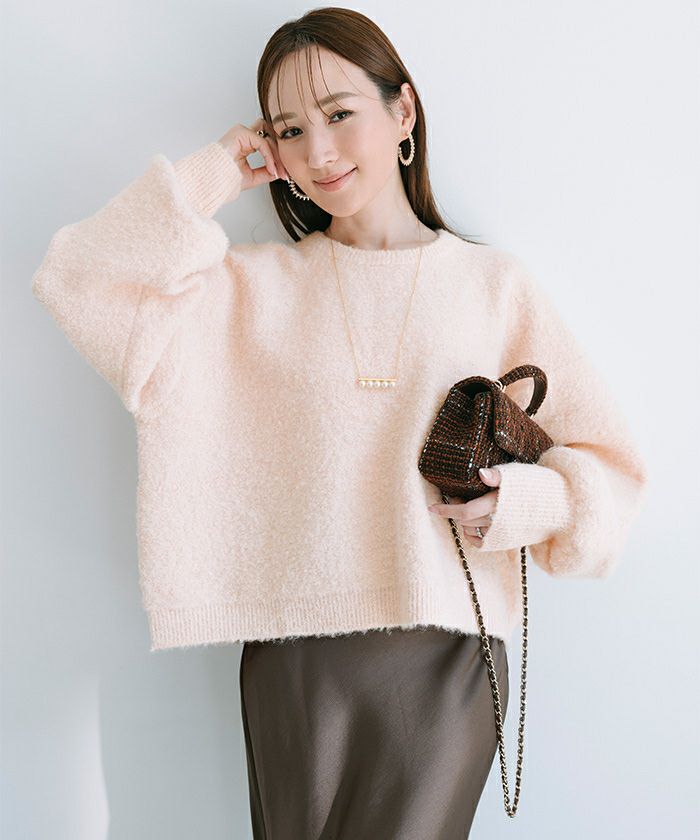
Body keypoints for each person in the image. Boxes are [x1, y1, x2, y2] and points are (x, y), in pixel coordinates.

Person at [31, 7, 649, 839]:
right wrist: (217, 173)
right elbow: (78, 280)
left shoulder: (493, 286)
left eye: (338, 113)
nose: (318, 151)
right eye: (289, 129)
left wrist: (525, 503)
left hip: (450, 651)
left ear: (403, 111)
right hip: (295, 656)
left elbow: (613, 472)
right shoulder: (244, 291)